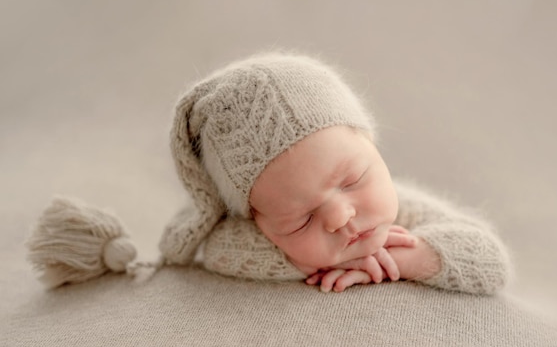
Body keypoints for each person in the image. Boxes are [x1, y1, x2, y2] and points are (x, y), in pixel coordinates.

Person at [27, 52, 511, 295]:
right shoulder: (236, 235)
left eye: (352, 180)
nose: (342, 217)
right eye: (300, 220)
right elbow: (219, 250)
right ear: (257, 222)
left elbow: (490, 261)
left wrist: (413, 259)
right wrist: (311, 262)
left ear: (372, 146)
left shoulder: (404, 214)